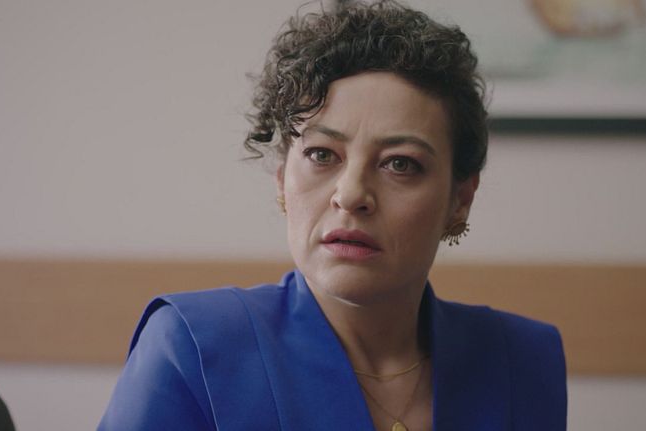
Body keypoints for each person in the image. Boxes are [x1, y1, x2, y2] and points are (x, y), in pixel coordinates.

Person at [98, 1, 566, 430]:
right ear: (281, 179)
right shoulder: (191, 347)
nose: (352, 194)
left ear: (459, 200)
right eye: (322, 154)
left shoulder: (523, 361)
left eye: (400, 164)